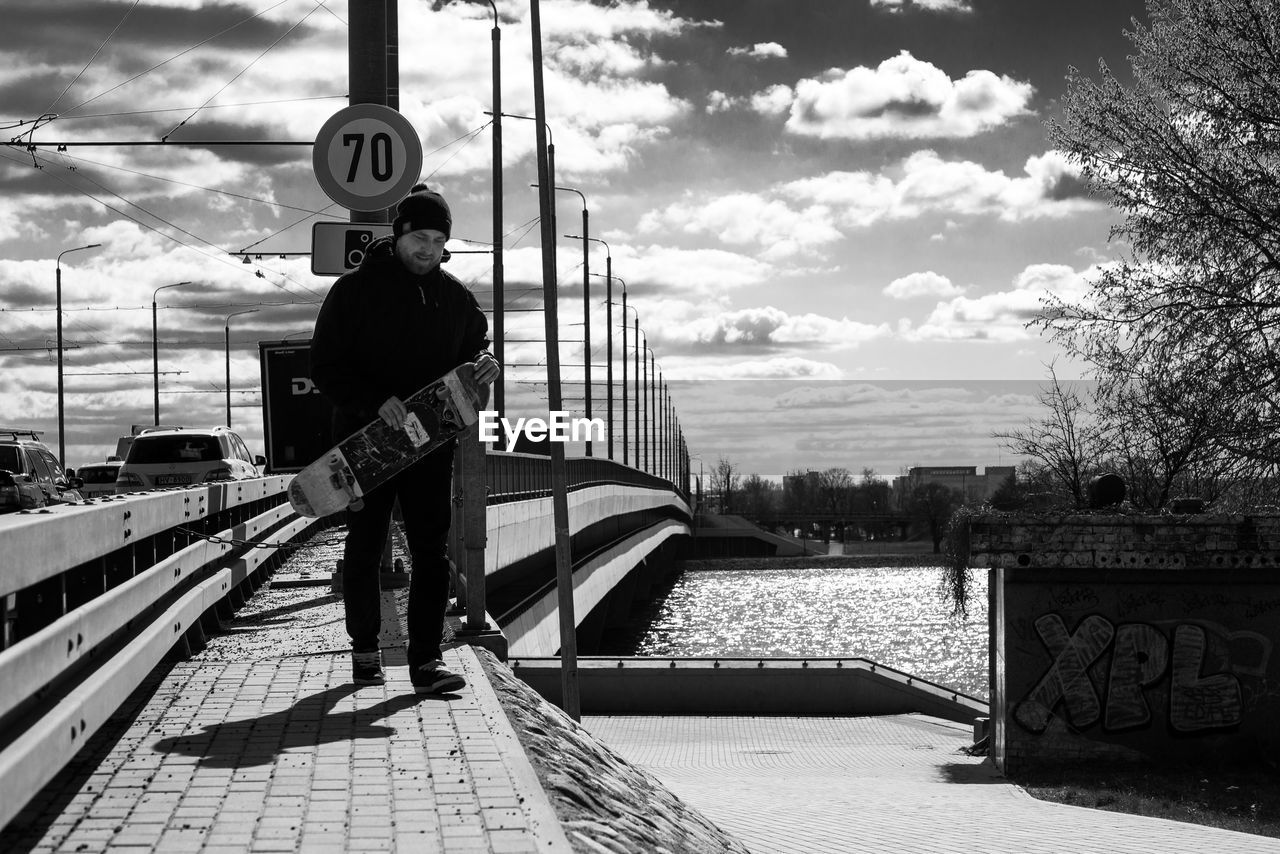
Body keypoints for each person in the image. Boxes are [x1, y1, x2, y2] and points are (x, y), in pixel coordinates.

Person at [310, 183, 500, 693]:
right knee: (366, 547)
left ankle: (425, 662)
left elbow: (474, 352)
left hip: (429, 445)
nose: (429, 249)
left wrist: (485, 367)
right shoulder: (354, 292)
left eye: (439, 241)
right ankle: (366, 651)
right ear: (399, 234)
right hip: (365, 445)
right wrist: (374, 400)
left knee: (430, 552)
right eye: (421, 237)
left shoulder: (456, 299)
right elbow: (325, 367)